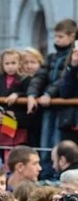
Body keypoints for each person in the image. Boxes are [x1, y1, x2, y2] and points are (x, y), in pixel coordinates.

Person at [26, 18, 77, 178]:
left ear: (72, 36)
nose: (56, 40)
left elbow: (63, 80)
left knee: (57, 143)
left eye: (60, 37)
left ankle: (55, 176)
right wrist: (32, 94)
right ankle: (45, 174)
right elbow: (39, 77)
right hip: (48, 106)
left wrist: (48, 94)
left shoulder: (72, 57)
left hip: (64, 108)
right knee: (44, 143)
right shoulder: (51, 57)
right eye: (55, 37)